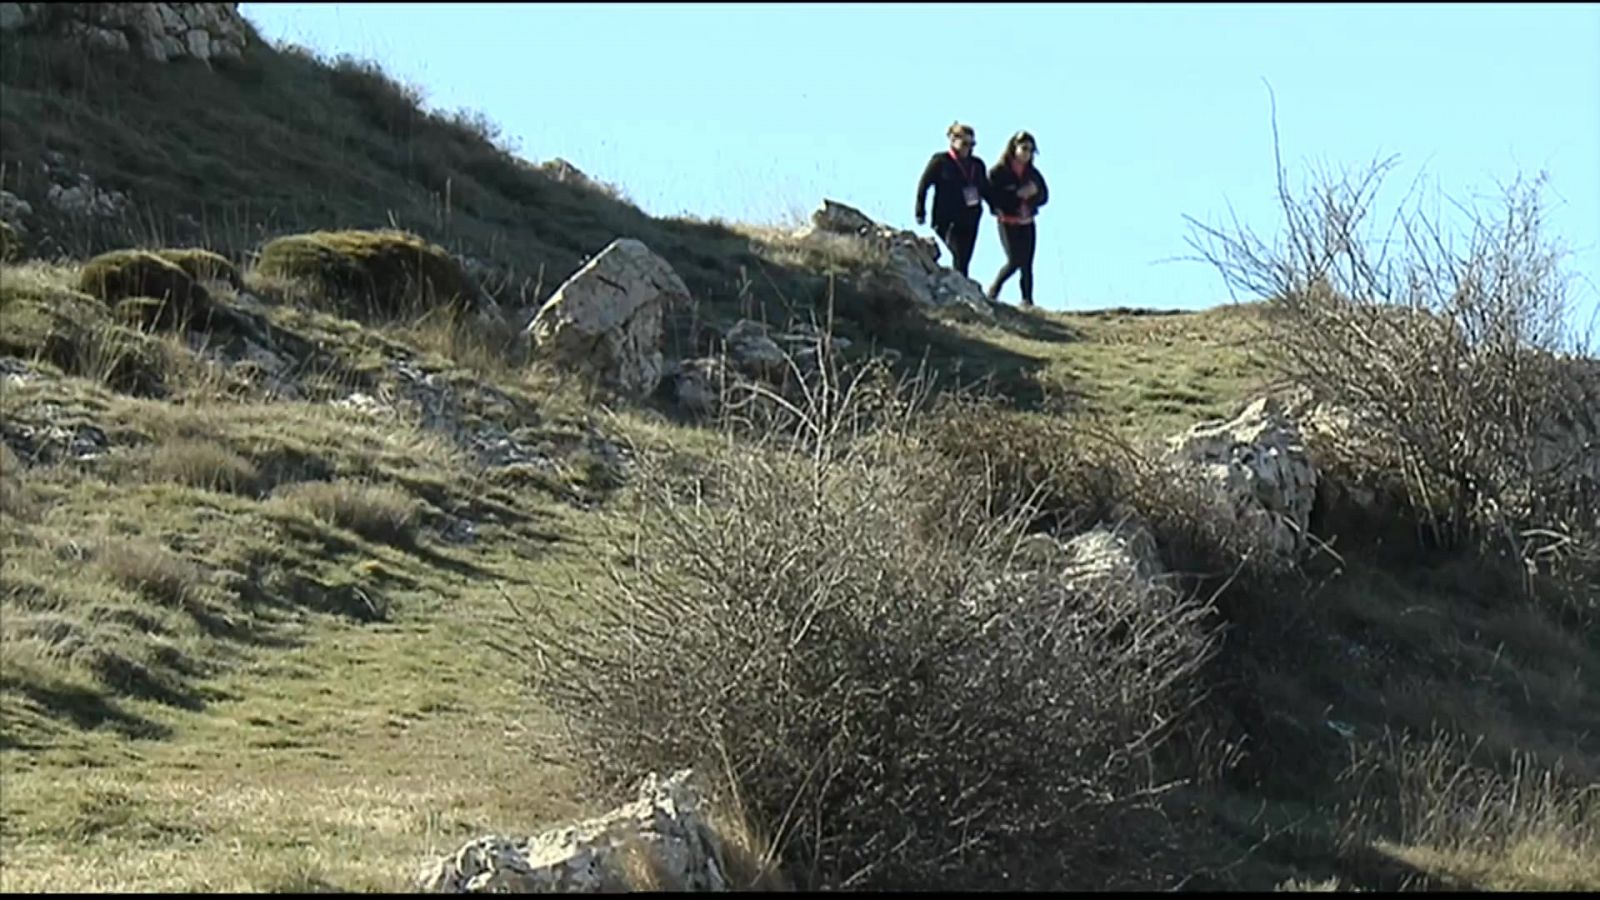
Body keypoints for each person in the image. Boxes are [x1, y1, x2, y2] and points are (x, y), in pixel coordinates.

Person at [914, 121, 989, 278]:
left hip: (970, 218)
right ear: (953, 140)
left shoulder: (977, 165)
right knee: (958, 253)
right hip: (946, 219)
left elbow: (986, 190)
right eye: (964, 143)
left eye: (971, 144)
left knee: (965, 259)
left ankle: (962, 285)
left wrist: (998, 207)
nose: (967, 148)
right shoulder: (940, 161)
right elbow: (924, 185)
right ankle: (958, 286)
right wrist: (920, 210)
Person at [985, 130, 1049, 307]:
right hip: (1008, 221)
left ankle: (1027, 300)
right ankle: (994, 290)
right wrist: (1016, 196)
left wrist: (1033, 195)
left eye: (1031, 150)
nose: (1027, 154)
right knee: (1014, 260)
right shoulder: (999, 172)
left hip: (1027, 222)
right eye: (1024, 148)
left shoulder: (1033, 174)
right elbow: (993, 196)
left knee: (1027, 263)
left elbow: (1044, 195)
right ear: (1014, 148)